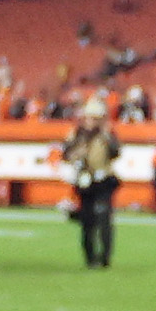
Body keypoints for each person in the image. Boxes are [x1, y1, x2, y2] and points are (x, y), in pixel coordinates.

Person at [64, 98, 122, 268]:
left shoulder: (107, 135)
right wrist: (77, 152)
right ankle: (90, 257)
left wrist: (106, 136)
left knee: (104, 220)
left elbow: (115, 152)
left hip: (103, 180)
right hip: (84, 181)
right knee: (87, 222)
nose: (92, 122)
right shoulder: (76, 134)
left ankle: (104, 257)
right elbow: (66, 153)